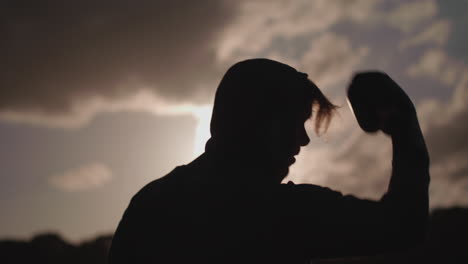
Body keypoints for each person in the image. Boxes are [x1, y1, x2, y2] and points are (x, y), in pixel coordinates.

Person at [108, 59, 430, 264]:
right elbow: (403, 225)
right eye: (296, 121)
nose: (303, 140)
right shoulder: (282, 212)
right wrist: (405, 128)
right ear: (259, 121)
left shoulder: (149, 205)